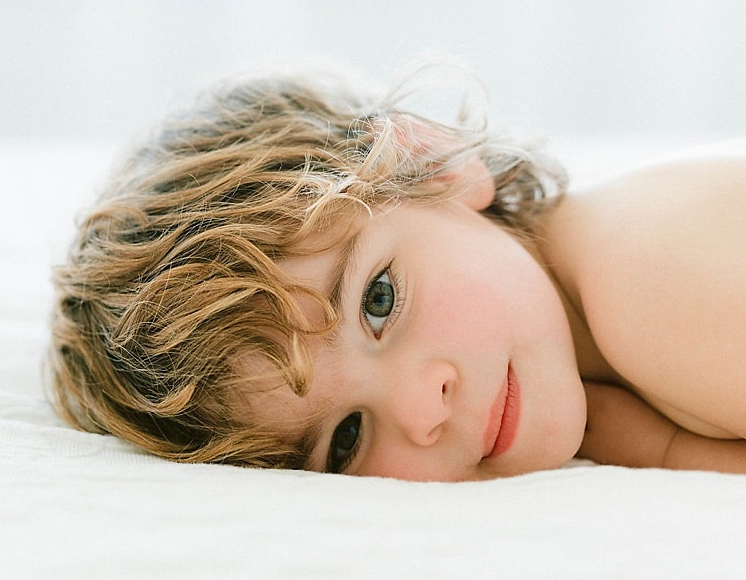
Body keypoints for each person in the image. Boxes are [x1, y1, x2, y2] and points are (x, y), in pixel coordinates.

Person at [48, 56, 746, 481]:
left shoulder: (650, 281)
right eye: (346, 437)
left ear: (430, 162)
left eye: (378, 299)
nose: (421, 409)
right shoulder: (596, 357)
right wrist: (661, 444)